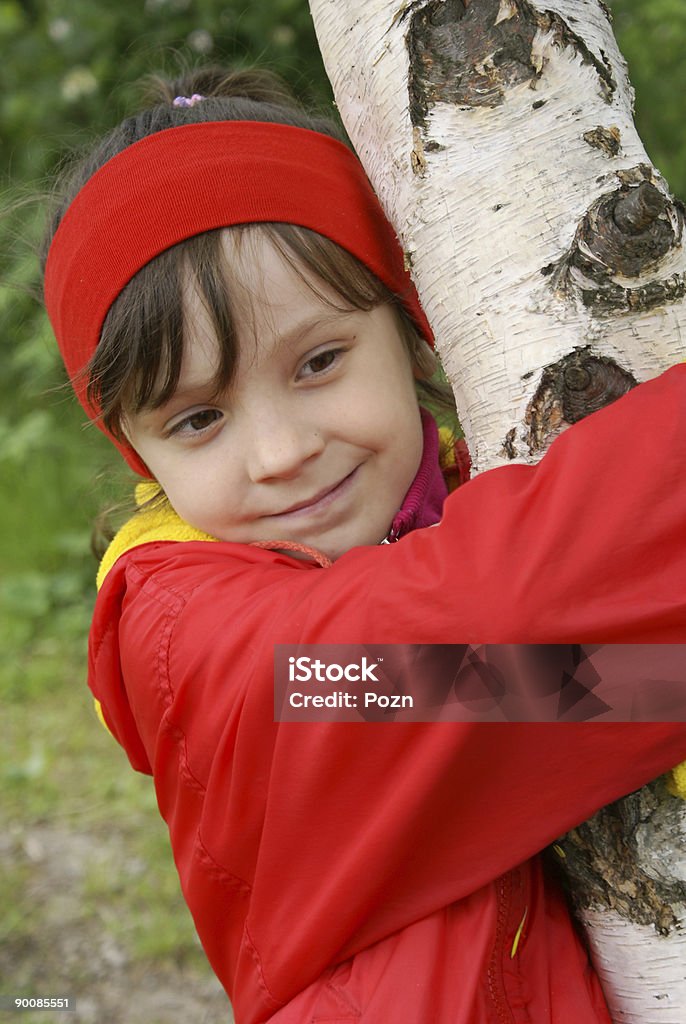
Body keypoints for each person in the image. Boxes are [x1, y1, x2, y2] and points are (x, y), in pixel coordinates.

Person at [43, 67, 686, 1024]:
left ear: (410, 324)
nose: (282, 452)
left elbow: (570, 677)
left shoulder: (469, 500)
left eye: (318, 362)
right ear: (132, 449)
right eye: (199, 418)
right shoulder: (197, 648)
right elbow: (482, 655)